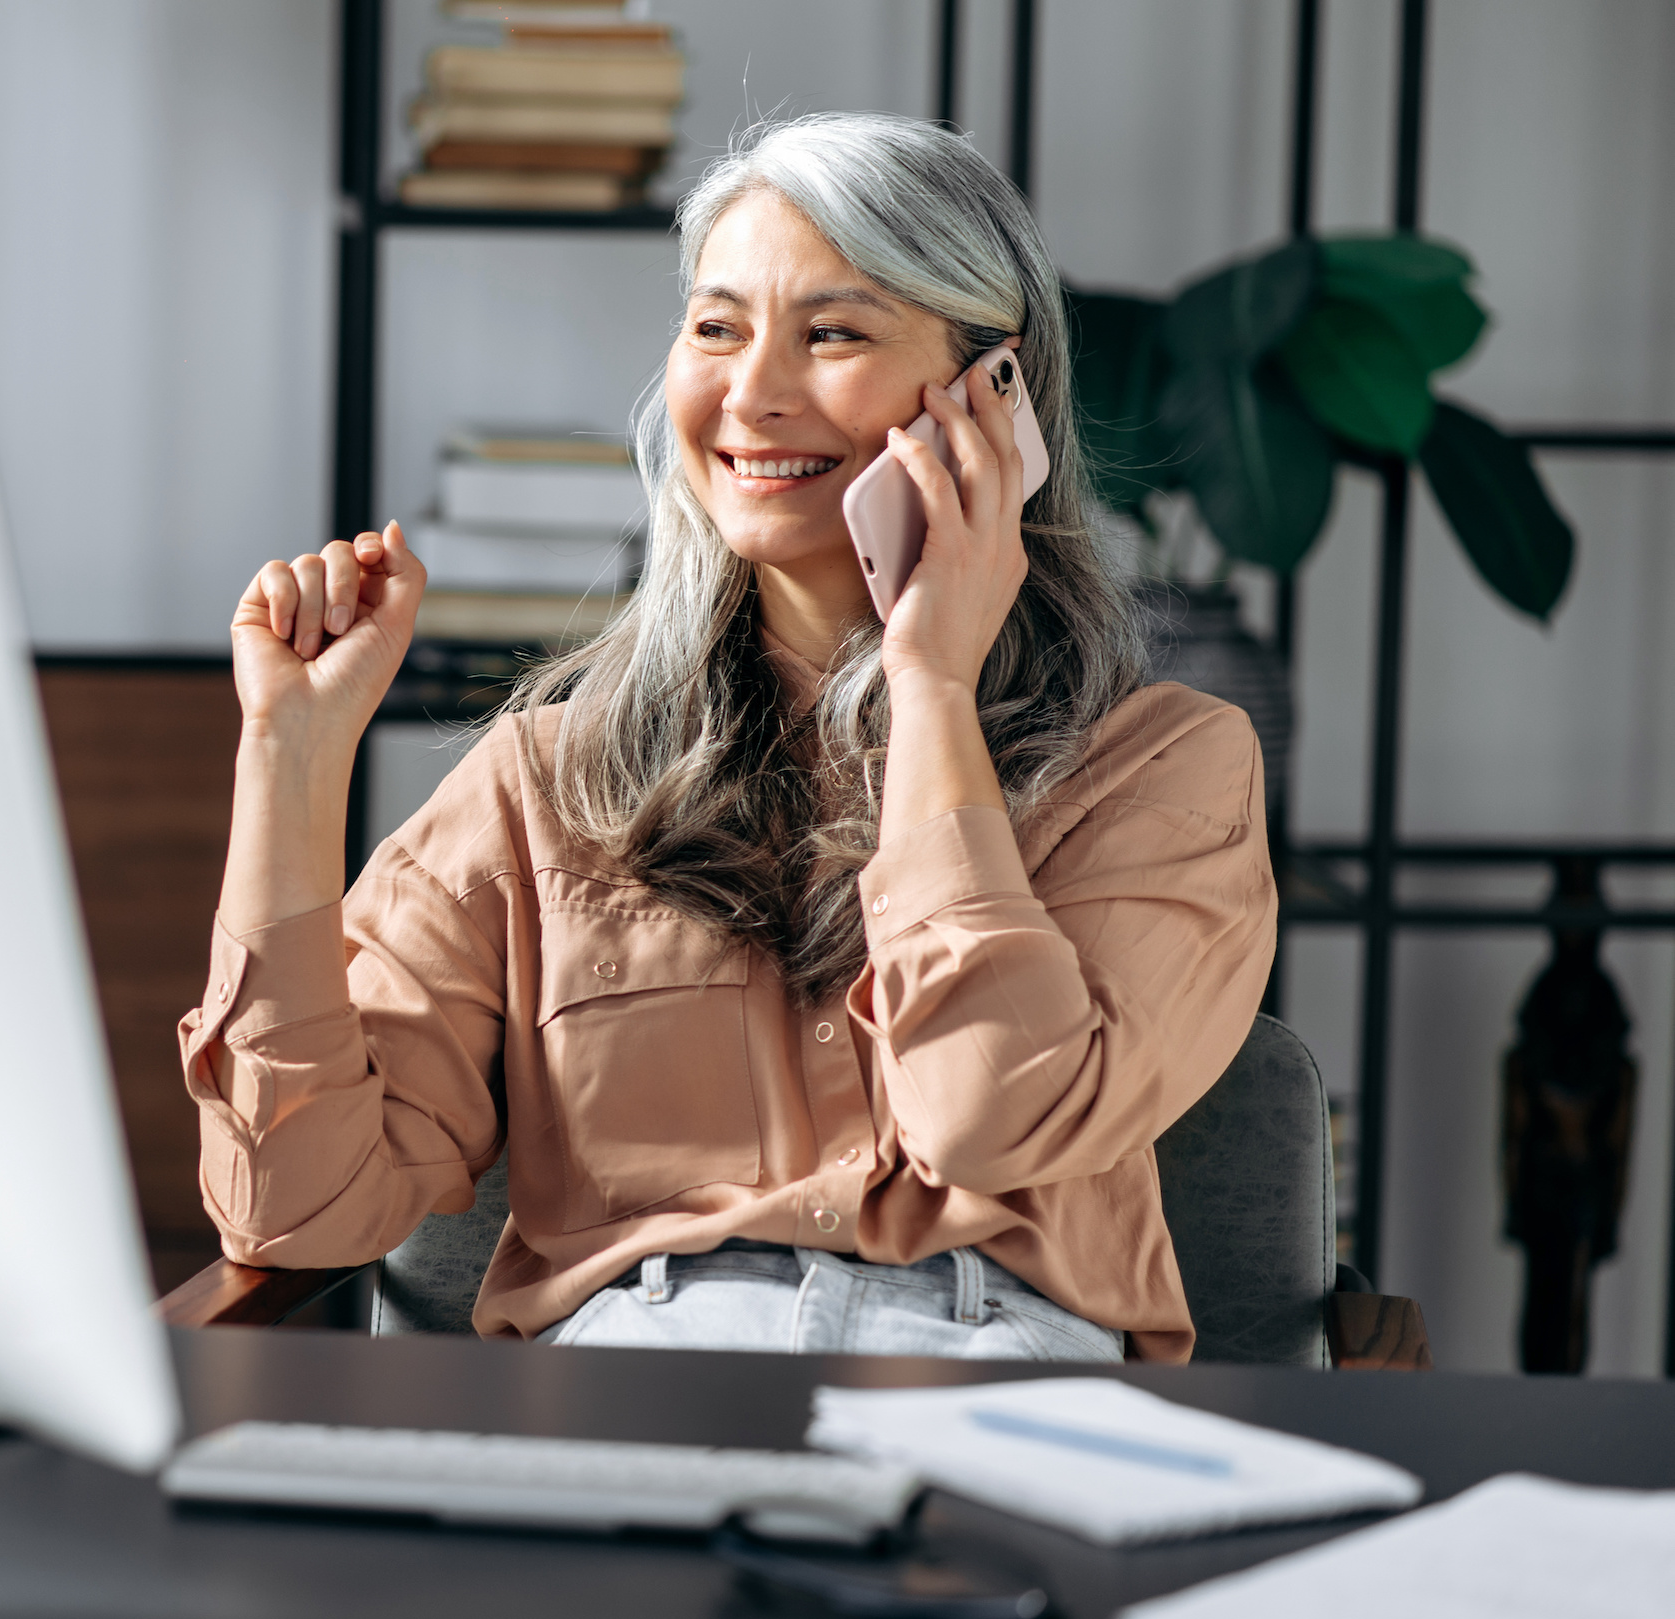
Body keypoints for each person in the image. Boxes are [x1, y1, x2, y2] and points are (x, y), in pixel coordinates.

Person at [178, 112, 1274, 1362]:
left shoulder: (1163, 767)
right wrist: (289, 761)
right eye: (715, 327)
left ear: (994, 391)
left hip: (994, 1381)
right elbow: (298, 1211)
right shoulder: (543, 783)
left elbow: (986, 1121)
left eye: (833, 333)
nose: (751, 393)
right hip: (636, 1377)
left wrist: (929, 682)